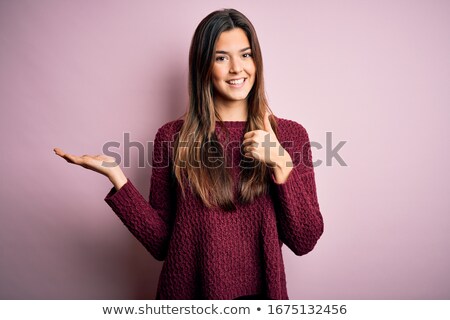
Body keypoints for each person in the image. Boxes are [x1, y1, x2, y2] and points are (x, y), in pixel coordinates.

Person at [54, 8, 324, 300]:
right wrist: (117, 177)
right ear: (203, 66)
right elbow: (160, 244)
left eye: (246, 55)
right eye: (221, 58)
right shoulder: (171, 138)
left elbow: (304, 240)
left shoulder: (290, 136)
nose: (237, 68)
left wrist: (282, 163)